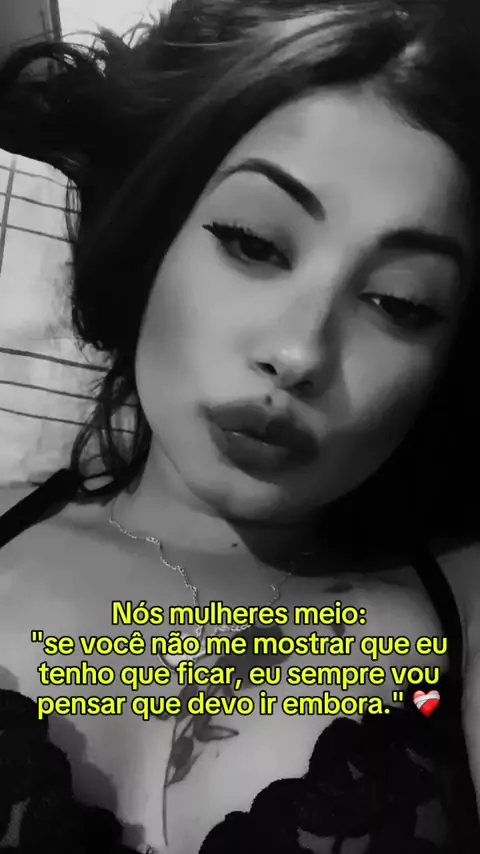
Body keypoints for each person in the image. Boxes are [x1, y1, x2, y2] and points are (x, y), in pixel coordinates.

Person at [0, 0, 480, 851]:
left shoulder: (467, 605)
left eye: (399, 303)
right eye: (254, 243)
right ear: (155, 235)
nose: (297, 353)